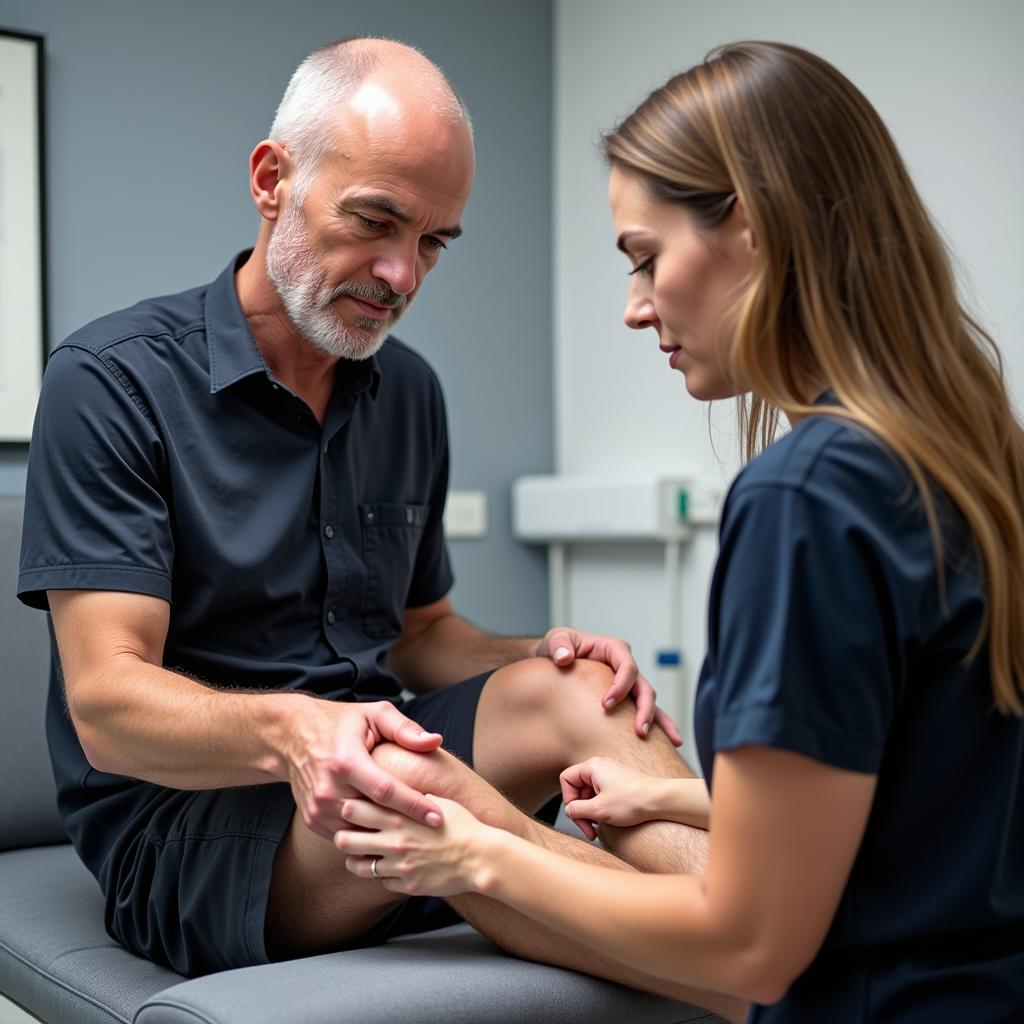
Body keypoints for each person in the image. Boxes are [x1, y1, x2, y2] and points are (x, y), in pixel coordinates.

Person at [17, 37, 751, 1021]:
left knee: (582, 691)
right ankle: (770, 986)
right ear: (272, 180)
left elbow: (421, 633)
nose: (401, 274)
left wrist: (546, 648)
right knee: (406, 768)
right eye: (376, 222)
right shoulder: (111, 380)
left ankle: (754, 930)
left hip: (376, 763)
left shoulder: (406, 391)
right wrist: (301, 730)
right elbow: (108, 706)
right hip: (188, 832)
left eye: (436, 241)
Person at [330, 40, 1024, 1022]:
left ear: (751, 223)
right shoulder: (972, 461)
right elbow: (929, 793)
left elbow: (748, 948)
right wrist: (674, 800)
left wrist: (477, 850)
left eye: (647, 257)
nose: (633, 306)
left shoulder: (806, 498)